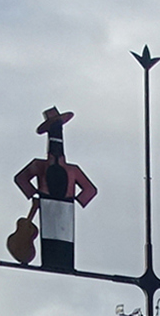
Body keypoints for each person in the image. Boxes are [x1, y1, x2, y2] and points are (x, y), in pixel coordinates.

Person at [9, 107, 97, 270]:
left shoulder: (71, 170)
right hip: (50, 204)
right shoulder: (41, 165)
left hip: (64, 207)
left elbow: (90, 190)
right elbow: (21, 179)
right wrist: (34, 194)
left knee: (64, 239)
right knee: (50, 237)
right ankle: (52, 262)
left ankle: (64, 264)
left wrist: (78, 199)